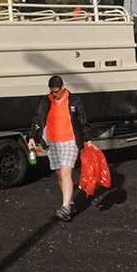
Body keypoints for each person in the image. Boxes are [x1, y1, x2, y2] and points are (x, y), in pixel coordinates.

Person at [28, 75, 93, 222]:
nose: (54, 94)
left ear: (63, 87)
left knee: (65, 173)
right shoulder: (46, 101)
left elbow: (82, 120)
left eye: (57, 91)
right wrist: (31, 137)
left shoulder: (74, 101)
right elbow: (38, 119)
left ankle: (65, 207)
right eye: (52, 91)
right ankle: (70, 204)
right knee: (59, 175)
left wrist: (88, 140)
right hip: (53, 142)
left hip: (70, 141)